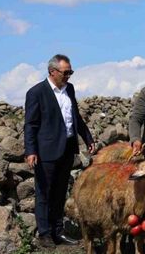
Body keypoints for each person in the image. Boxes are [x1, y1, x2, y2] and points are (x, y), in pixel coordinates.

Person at [23, 54, 95, 248]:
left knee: (60, 193)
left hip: (66, 150)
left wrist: (87, 137)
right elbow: (30, 125)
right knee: (44, 193)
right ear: (52, 71)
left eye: (71, 71)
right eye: (66, 72)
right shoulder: (36, 92)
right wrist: (31, 151)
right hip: (46, 152)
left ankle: (58, 232)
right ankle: (44, 234)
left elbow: (75, 117)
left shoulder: (69, 89)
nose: (69, 75)